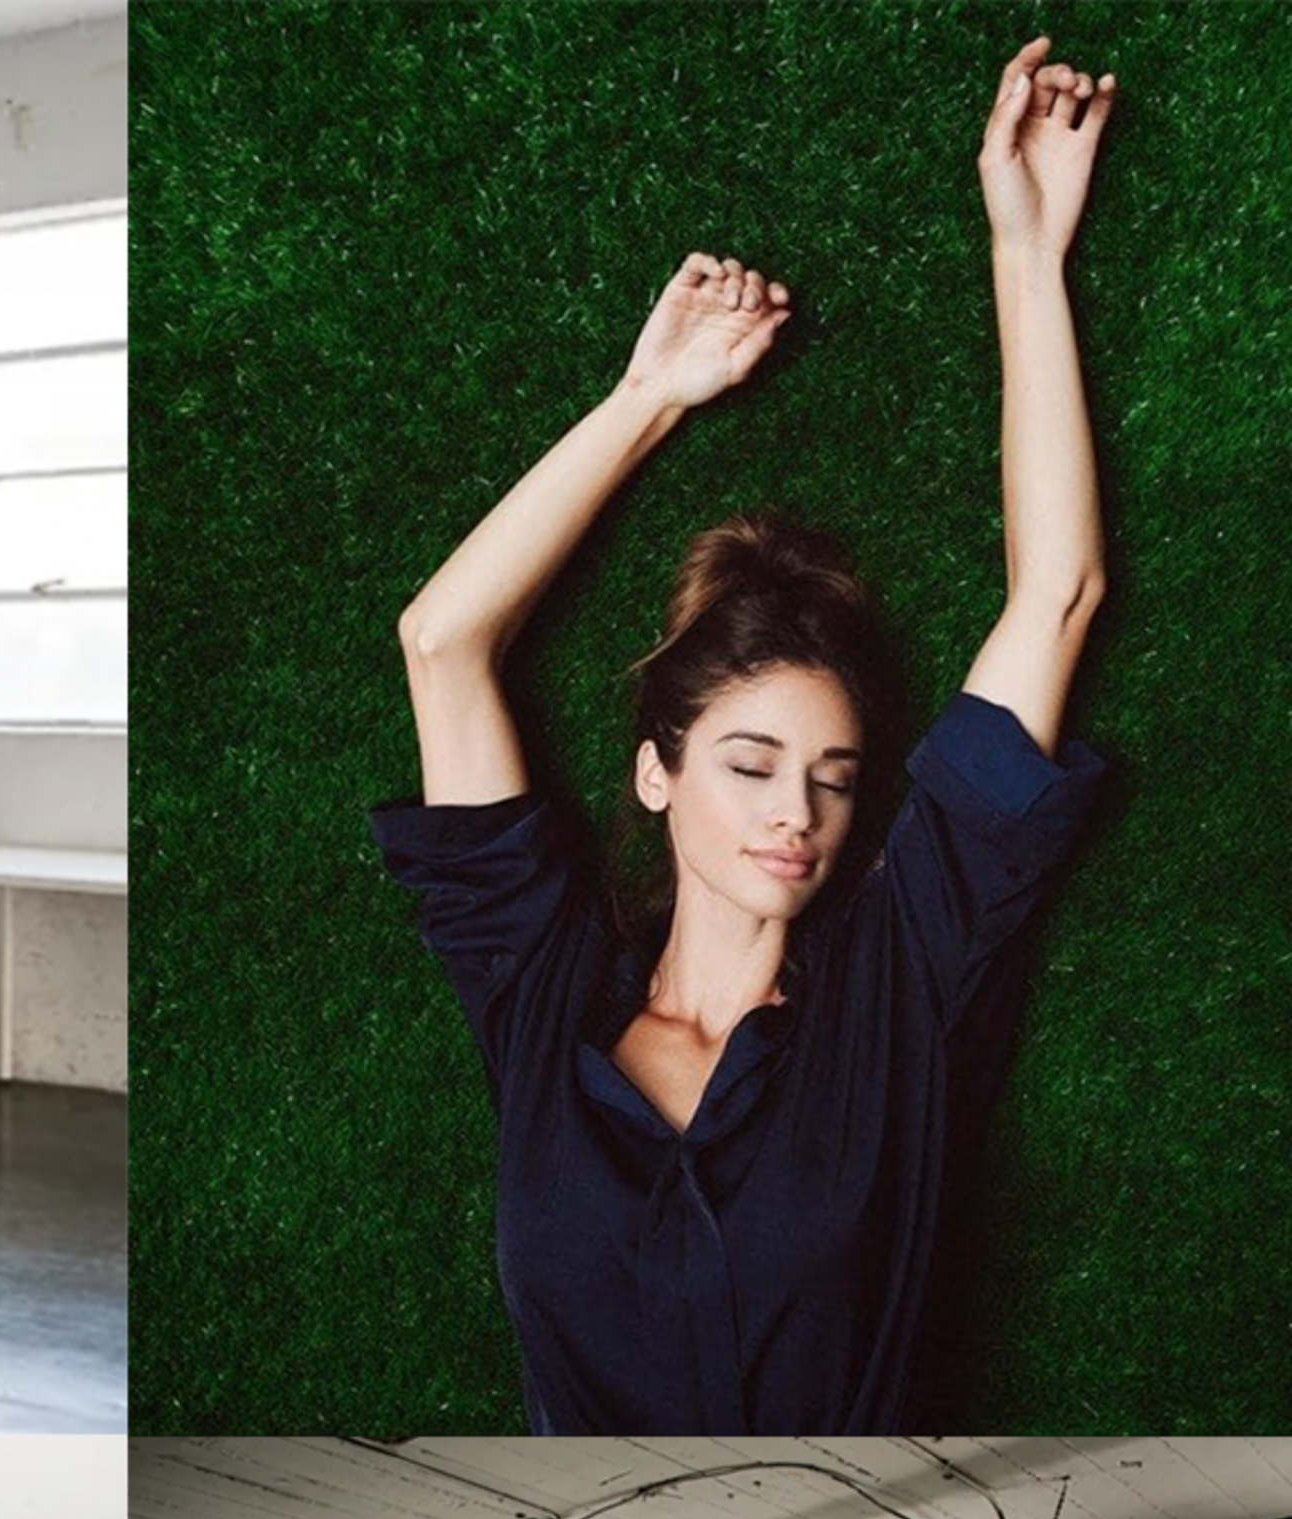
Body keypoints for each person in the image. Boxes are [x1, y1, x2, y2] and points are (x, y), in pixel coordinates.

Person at [377, 37, 1119, 1433]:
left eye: (837, 779)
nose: (801, 814)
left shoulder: (897, 997)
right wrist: (647, 397)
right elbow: (441, 641)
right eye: (752, 764)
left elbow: (1057, 593)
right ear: (656, 772)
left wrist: (1028, 255)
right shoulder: (542, 996)